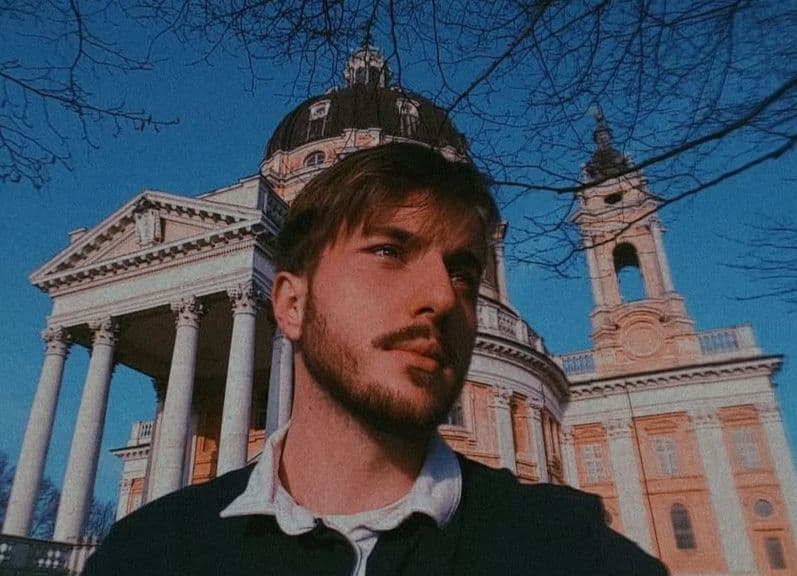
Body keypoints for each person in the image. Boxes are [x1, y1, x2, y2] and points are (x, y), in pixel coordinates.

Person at [83, 143, 668, 575]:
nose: (443, 297)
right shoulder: (147, 556)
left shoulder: (570, 554)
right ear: (290, 303)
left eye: (464, 273)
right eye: (389, 251)